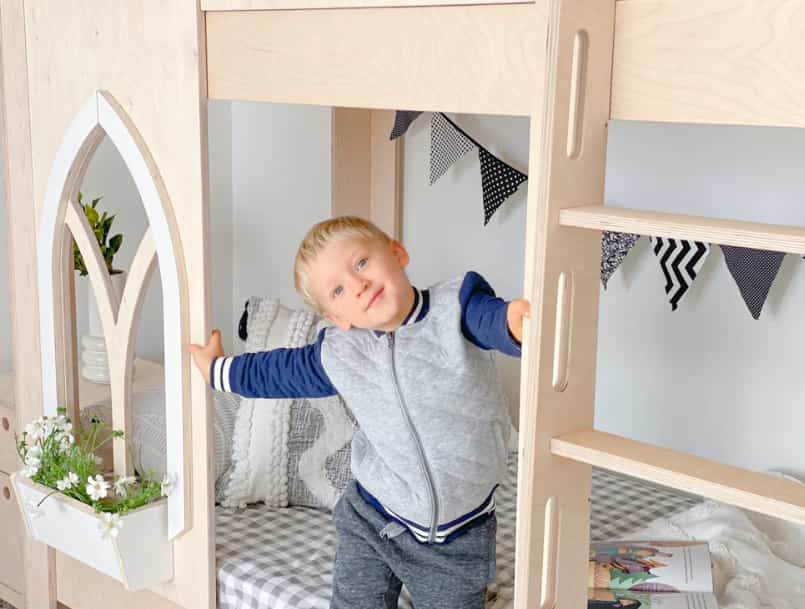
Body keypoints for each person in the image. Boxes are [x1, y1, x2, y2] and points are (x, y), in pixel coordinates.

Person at [189, 216, 530, 609]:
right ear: (337, 318)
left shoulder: (455, 309)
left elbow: (490, 320)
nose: (358, 285)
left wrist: (513, 323)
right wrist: (218, 369)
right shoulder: (340, 351)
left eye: (361, 263)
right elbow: (279, 372)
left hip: (457, 536)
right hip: (372, 516)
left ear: (397, 253)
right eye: (338, 290)